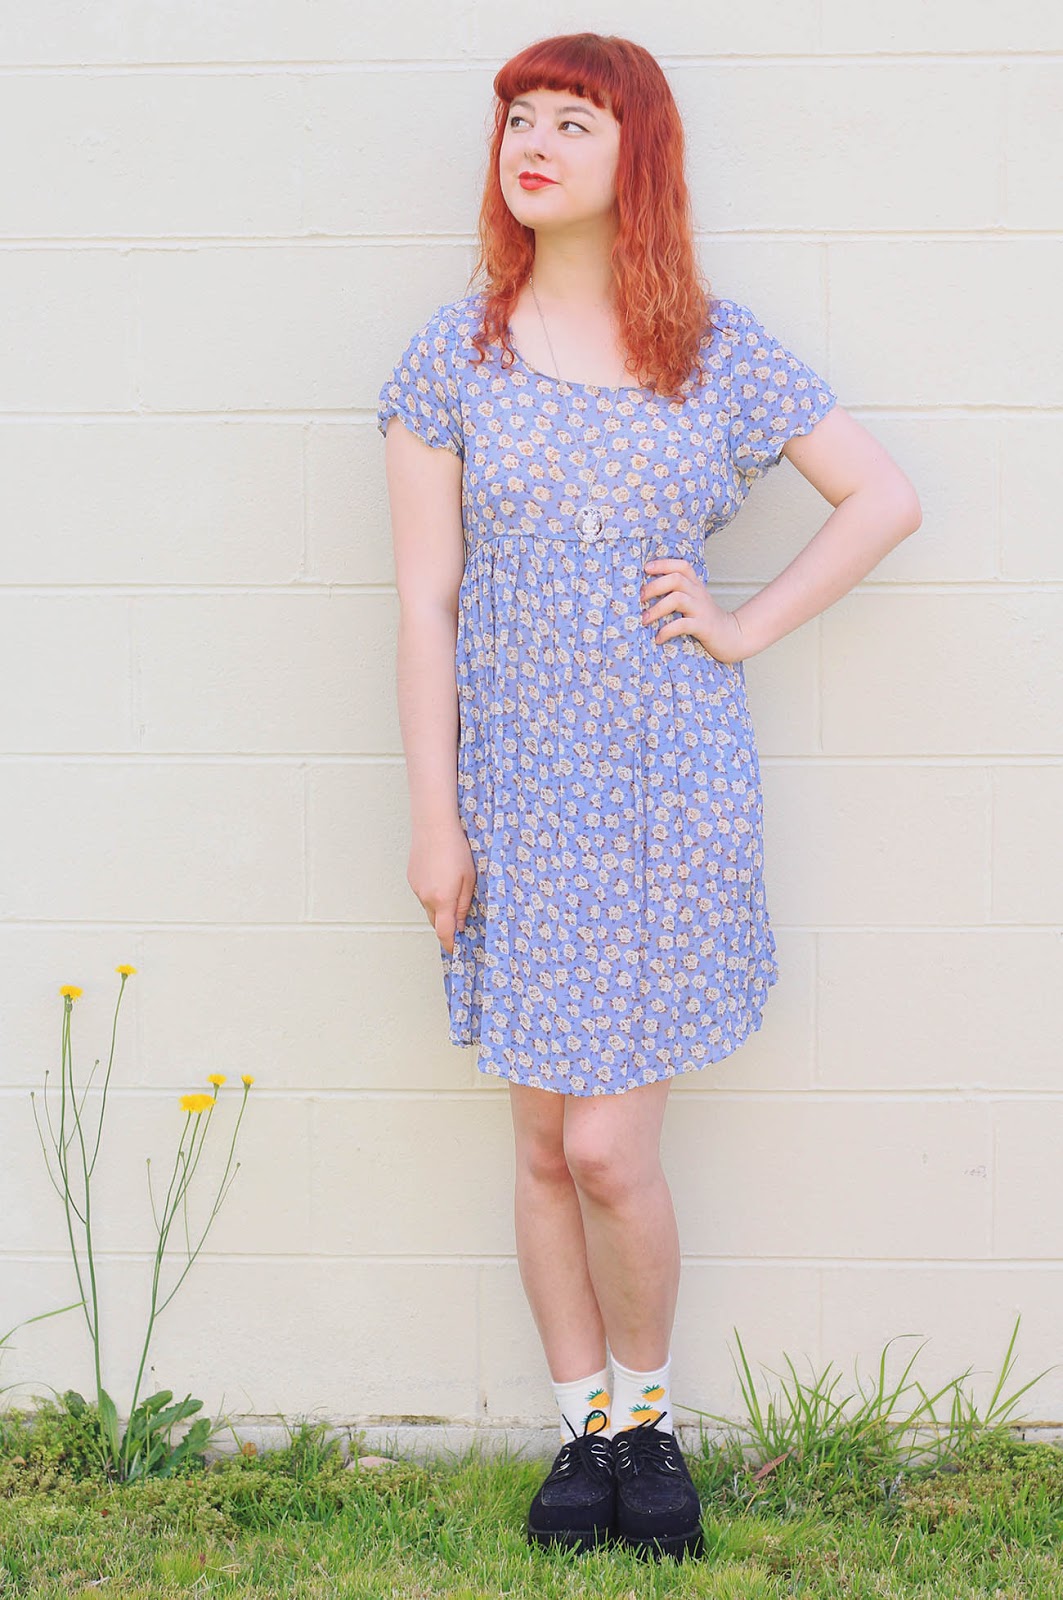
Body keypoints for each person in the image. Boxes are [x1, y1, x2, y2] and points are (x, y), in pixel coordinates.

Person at [376, 31, 921, 1564]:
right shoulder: (453, 356)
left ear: (640, 156)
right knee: (542, 1147)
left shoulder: (711, 347)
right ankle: (586, 1434)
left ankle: (651, 1417)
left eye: (572, 121)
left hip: (666, 789)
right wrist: (436, 820)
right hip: (513, 794)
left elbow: (881, 496)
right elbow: (424, 603)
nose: (533, 143)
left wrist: (743, 624)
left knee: (613, 1151)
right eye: (518, 119)